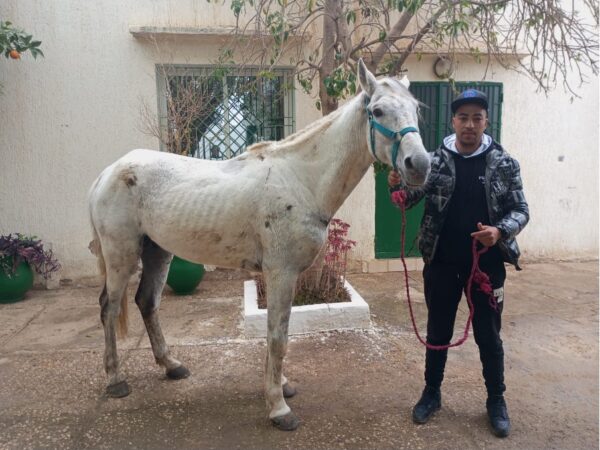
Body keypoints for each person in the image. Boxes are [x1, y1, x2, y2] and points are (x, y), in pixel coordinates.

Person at [388, 89, 529, 438]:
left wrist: (500, 231)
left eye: (476, 118)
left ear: (486, 121)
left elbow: (521, 211)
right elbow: (411, 197)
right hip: (442, 263)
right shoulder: (435, 160)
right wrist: (399, 187)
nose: (469, 124)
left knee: (488, 337)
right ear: (453, 121)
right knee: (438, 331)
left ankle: (496, 400)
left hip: (486, 267)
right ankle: (431, 393)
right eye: (463, 117)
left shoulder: (504, 162)